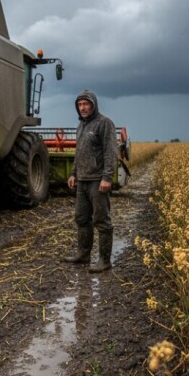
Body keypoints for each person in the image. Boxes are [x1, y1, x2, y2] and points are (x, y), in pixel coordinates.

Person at [63, 90, 118, 272]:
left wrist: (107, 177)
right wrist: (73, 173)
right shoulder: (81, 126)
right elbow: (79, 152)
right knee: (81, 218)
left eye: (86, 104)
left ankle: (104, 260)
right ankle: (84, 254)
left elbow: (110, 152)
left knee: (102, 220)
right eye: (80, 105)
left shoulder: (104, 123)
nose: (83, 108)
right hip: (82, 181)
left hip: (97, 181)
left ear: (93, 105)